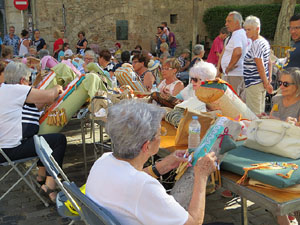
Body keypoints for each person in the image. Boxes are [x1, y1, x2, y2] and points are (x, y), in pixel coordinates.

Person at [86, 99, 217, 225]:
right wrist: (201, 176)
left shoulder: (103, 161)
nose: (161, 137)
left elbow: (128, 180)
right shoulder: (144, 187)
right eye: (160, 133)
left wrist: (163, 165)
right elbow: (193, 222)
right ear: (146, 146)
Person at [0, 62, 66, 203]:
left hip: (3, 149)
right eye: (29, 80)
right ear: (23, 80)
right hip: (10, 151)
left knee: (39, 139)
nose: (29, 83)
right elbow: (49, 96)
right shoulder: (15, 89)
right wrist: (57, 87)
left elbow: (36, 103)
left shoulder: (4, 89)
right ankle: (50, 187)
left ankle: (41, 177)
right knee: (59, 141)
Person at [268, 67, 300, 224]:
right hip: (276, 146)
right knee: (277, 192)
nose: (281, 86)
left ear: (298, 86)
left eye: (286, 84)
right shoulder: (276, 100)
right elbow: (272, 118)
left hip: (294, 151)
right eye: (280, 82)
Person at [243, 16, 273, 115]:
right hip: (260, 82)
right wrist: (268, 80)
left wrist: (266, 83)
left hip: (254, 83)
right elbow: (269, 63)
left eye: (249, 29)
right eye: (245, 29)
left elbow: (260, 66)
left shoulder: (256, 44)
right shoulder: (264, 42)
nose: (246, 32)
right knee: (260, 113)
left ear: (257, 29)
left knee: (254, 115)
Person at [219, 11, 250, 100]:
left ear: (237, 22)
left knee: (231, 101)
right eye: (226, 21)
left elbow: (238, 52)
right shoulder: (241, 34)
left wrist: (229, 67)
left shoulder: (237, 34)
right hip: (237, 74)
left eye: (229, 21)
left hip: (234, 74)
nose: (226, 24)